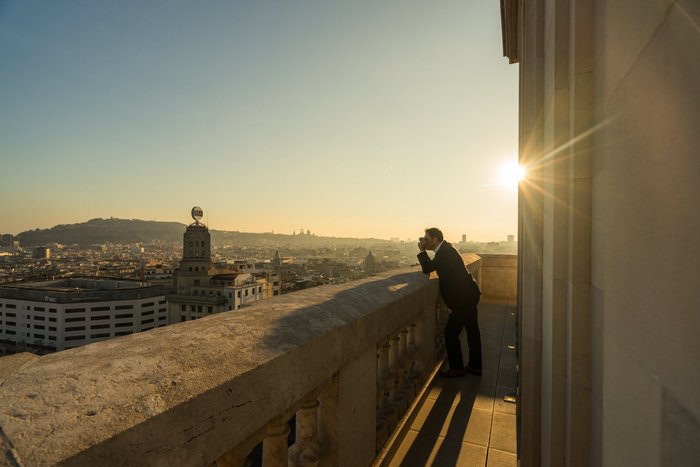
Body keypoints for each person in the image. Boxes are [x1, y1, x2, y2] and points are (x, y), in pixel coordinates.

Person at [417, 227, 482, 378]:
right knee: (472, 331)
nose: (425, 242)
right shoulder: (446, 249)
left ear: (435, 240)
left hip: (463, 299)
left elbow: (427, 268)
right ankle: (475, 365)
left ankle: (457, 368)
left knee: (450, 333)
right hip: (468, 294)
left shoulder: (444, 253)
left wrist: (421, 251)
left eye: (427, 239)